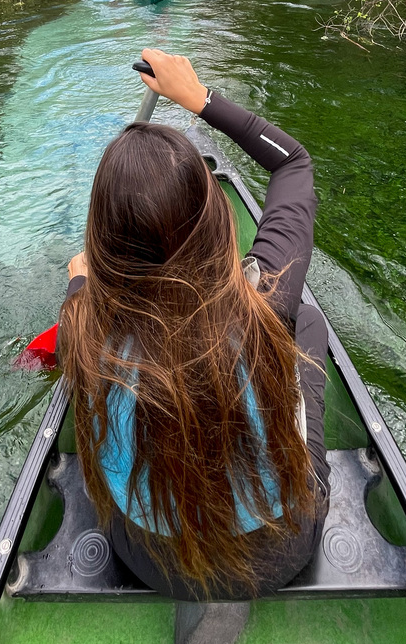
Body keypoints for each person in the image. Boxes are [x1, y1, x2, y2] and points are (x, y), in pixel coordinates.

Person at [59, 49, 330, 600]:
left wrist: (79, 282)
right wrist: (199, 99)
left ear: (104, 248)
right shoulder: (266, 299)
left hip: (147, 557)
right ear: (213, 219)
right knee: (309, 324)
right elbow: (293, 163)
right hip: (284, 547)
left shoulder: (81, 330)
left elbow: (85, 297)